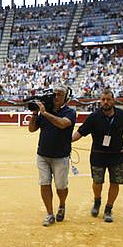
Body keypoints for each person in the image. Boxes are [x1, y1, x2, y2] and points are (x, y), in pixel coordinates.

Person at [72, 89, 123, 222]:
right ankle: (97, 201)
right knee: (97, 182)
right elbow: (80, 132)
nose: (105, 102)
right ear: (100, 101)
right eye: (103, 100)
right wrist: (65, 142)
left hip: (117, 156)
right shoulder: (94, 116)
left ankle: (108, 208)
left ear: (113, 100)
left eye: (108, 99)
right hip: (97, 155)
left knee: (115, 182)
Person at [27, 85, 76, 226]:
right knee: (44, 183)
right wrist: (35, 114)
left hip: (61, 156)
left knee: (61, 186)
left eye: (60, 94)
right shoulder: (44, 112)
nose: (56, 97)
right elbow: (31, 129)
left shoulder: (70, 112)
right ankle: (49, 213)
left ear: (66, 97)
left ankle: (62, 204)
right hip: (43, 154)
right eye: (54, 94)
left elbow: (62, 124)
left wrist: (45, 113)